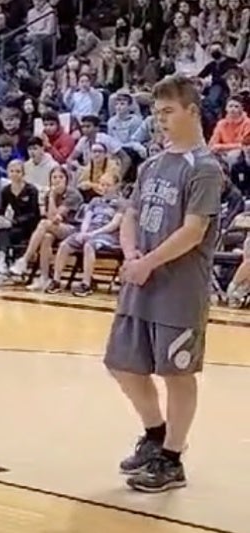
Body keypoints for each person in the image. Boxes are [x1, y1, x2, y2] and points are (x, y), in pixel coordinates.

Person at [105, 74, 224, 493]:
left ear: (193, 111)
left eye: (168, 111)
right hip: (141, 280)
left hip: (178, 289)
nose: (161, 120)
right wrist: (132, 254)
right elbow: (131, 214)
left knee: (177, 374)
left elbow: (194, 230)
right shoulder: (153, 163)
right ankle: (155, 434)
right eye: (156, 113)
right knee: (121, 364)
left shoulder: (206, 168)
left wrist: (149, 262)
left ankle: (172, 459)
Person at [47, 172, 124, 296]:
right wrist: (83, 232)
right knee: (65, 245)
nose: (104, 188)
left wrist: (93, 233)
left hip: (108, 235)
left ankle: (86, 284)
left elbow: (114, 225)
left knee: (89, 245)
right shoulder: (95, 201)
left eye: (108, 185)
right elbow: (87, 219)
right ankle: (56, 281)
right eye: (102, 184)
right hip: (89, 232)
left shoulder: (121, 203)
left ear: (116, 186)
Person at [0, 159, 41, 286]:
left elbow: (34, 214)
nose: (15, 174)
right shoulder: (6, 190)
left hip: (29, 227)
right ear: (8, 173)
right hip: (13, 226)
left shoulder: (31, 190)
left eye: (18, 171)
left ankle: (2, 263)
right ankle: (1, 264)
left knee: (3, 231)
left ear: (23, 173)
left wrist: (14, 222)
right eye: (12, 171)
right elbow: (0, 209)